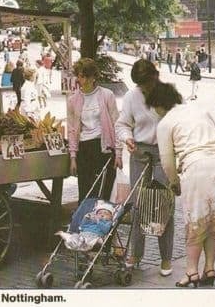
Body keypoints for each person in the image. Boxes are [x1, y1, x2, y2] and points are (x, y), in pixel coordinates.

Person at [146, 82, 215, 287]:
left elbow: (167, 160)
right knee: (214, 221)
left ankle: (191, 272)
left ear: (158, 105)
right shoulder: (199, 108)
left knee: (196, 220)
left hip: (197, 165)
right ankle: (209, 268)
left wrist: (174, 183)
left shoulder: (165, 123)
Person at [115, 59, 174, 276]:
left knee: (161, 204)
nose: (144, 88)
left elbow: (179, 123)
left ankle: (166, 258)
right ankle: (135, 254)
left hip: (163, 152)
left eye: (147, 83)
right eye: (140, 85)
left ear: (154, 76)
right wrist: (127, 138)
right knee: (138, 204)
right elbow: (122, 124)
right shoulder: (131, 96)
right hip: (139, 152)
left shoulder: (168, 94)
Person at [67, 57, 119, 205]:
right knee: (85, 192)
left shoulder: (106, 95)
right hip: (85, 148)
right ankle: (84, 224)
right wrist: (73, 157)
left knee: (104, 192)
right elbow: (72, 129)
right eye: (78, 75)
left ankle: (104, 224)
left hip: (104, 147)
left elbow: (117, 123)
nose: (79, 79)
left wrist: (118, 152)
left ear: (93, 77)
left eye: (83, 76)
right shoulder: (73, 100)